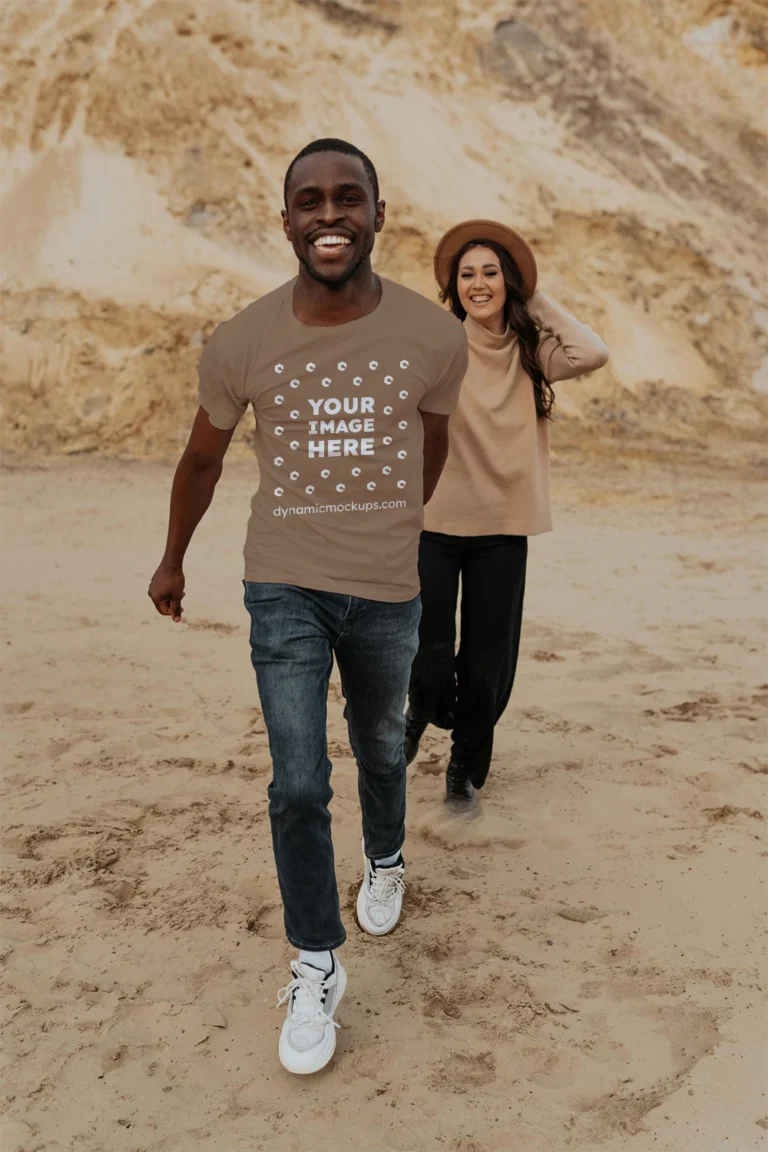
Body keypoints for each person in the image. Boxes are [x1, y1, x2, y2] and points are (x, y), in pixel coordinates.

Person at [147, 139, 467, 1075]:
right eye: (310, 202)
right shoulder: (241, 340)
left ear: (378, 213)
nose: (331, 216)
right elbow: (202, 459)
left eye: (348, 199)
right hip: (281, 581)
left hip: (385, 588)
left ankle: (385, 857)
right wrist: (173, 558)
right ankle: (316, 959)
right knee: (295, 779)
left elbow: (431, 446)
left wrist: (400, 527)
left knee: (377, 745)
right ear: (284, 219)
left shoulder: (431, 336)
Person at [404, 220, 609, 811]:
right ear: (454, 286)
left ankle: (461, 773)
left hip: (502, 530)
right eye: (466, 275)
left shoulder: (533, 350)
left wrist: (532, 295)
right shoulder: (437, 344)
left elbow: (591, 352)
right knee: (429, 650)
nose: (478, 283)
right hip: (434, 527)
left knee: (486, 662)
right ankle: (418, 710)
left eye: (491, 272)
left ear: (508, 280)